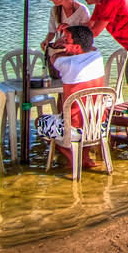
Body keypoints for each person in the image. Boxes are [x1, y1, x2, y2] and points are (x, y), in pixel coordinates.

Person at [35, 25, 105, 169]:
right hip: (100, 126)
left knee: (39, 122)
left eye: (66, 41)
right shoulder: (97, 56)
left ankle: (73, 157)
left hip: (74, 130)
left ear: (78, 47)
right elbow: (90, 47)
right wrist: (68, 44)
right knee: (84, 117)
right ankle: (85, 157)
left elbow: (53, 57)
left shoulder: (66, 63)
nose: (64, 43)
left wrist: (61, 48)